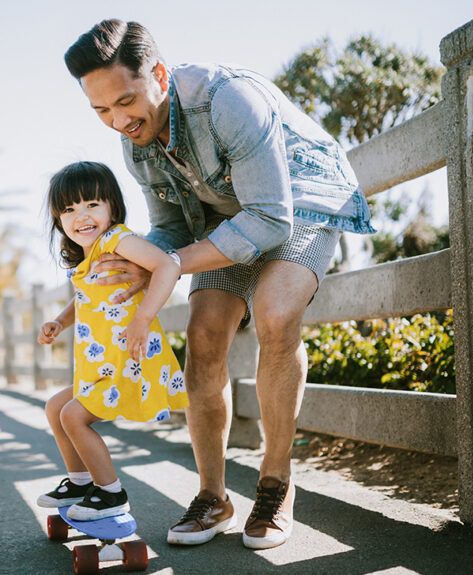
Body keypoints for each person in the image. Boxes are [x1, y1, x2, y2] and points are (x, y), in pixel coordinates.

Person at [64, 20, 375, 548]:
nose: (119, 121)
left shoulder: (228, 100)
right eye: (101, 111)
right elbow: (172, 228)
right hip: (222, 222)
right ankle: (213, 496)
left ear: (158, 74)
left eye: (126, 101)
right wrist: (145, 258)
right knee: (204, 336)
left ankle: (276, 483)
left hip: (300, 206)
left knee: (276, 313)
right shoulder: (135, 143)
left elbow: (271, 220)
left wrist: (166, 263)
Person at [35, 161, 189, 521]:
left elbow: (167, 265)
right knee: (56, 408)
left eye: (92, 204)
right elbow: (87, 296)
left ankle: (110, 493)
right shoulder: (90, 256)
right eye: (69, 209)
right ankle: (79, 481)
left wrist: (143, 318)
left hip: (129, 359)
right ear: (58, 219)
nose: (81, 216)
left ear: (112, 207)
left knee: (74, 416)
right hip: (103, 363)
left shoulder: (117, 239)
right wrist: (59, 320)